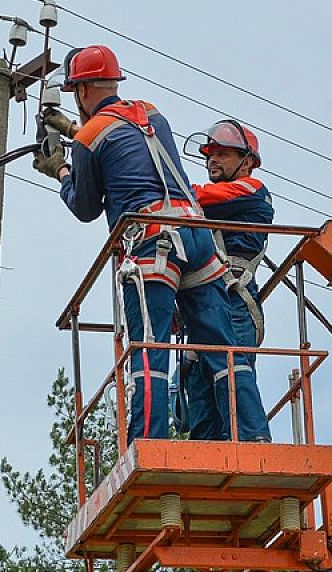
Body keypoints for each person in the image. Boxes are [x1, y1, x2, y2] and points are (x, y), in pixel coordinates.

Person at [33, 45, 266, 445]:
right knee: (224, 352)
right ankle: (254, 438)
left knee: (149, 352)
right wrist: (74, 132)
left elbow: (85, 207)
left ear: (83, 90)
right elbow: (129, 145)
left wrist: (62, 169)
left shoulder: (89, 138)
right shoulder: (152, 113)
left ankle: (147, 443)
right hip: (195, 237)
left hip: (151, 243)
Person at [181, 121, 273, 442]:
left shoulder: (251, 190)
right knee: (200, 374)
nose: (212, 160)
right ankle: (205, 450)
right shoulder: (214, 204)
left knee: (231, 366)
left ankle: (253, 440)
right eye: (209, 155)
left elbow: (193, 196)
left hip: (235, 298)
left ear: (246, 162)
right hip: (209, 300)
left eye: (222, 154)